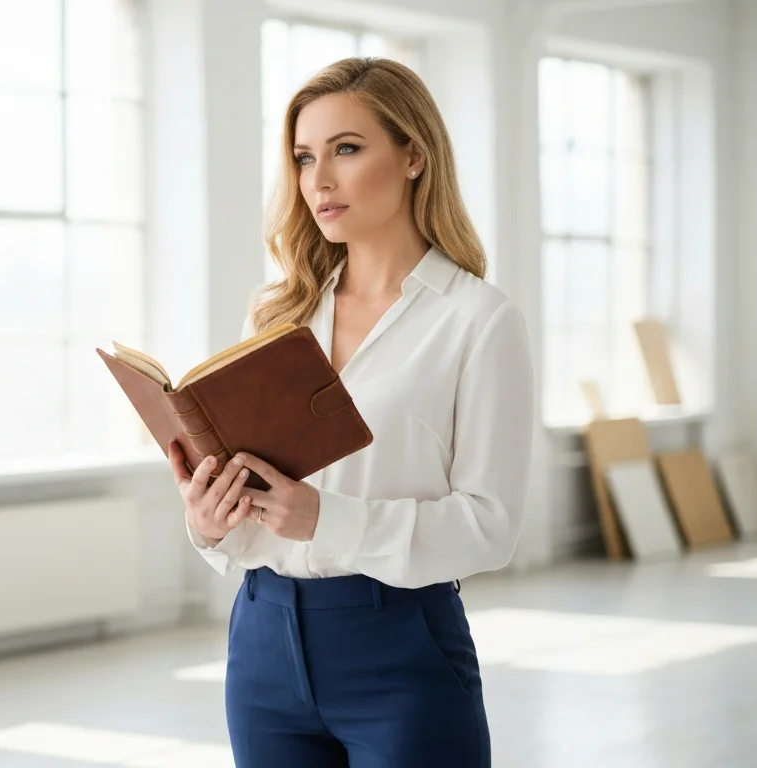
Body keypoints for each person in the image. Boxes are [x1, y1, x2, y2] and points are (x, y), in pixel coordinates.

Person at [168, 57, 534, 768]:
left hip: (401, 650)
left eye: (347, 149)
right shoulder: (280, 315)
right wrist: (209, 522)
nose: (319, 181)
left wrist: (325, 519)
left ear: (414, 156)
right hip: (261, 644)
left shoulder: (478, 321)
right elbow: (258, 506)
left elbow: (491, 527)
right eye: (305, 157)